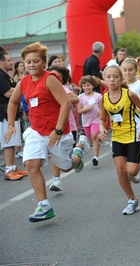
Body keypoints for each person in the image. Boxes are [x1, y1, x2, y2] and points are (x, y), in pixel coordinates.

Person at [4, 42, 90, 222]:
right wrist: (11, 124)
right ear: (24, 64)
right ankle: (44, 206)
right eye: (28, 62)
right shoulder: (24, 82)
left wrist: (58, 131)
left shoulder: (50, 79)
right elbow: (13, 102)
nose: (32, 64)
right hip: (35, 130)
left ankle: (78, 153)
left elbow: (66, 103)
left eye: (36, 61)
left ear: (44, 63)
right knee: (31, 164)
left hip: (57, 131)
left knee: (66, 166)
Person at [99, 65, 140, 215]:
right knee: (121, 171)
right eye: (108, 77)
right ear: (105, 80)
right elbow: (102, 119)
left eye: (115, 76)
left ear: (121, 79)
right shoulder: (104, 99)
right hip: (117, 137)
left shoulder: (129, 94)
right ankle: (132, 200)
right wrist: (102, 128)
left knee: (132, 171)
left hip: (133, 134)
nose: (112, 80)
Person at [48, 66, 80, 191]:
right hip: (52, 127)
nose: (52, 78)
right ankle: (56, 181)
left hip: (68, 126)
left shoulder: (62, 89)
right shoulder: (46, 88)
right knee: (54, 152)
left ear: (61, 80)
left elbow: (76, 98)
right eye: (51, 75)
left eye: (56, 76)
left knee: (65, 162)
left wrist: (59, 99)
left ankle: (79, 152)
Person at [0, 48, 28, 180]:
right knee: (9, 142)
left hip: (11, 112)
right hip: (5, 113)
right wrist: (23, 88)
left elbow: (13, 90)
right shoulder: (0, 75)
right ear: (1, 62)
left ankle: (13, 167)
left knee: (13, 140)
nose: (12, 62)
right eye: (9, 60)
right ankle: (9, 170)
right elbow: (8, 92)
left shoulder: (5, 75)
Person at [77, 75, 102, 166]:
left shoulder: (98, 96)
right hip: (86, 120)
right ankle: (96, 139)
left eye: (88, 85)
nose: (86, 87)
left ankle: (95, 157)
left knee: (94, 135)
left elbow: (103, 108)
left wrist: (100, 113)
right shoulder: (80, 97)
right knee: (91, 138)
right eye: (84, 86)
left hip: (96, 119)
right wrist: (87, 108)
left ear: (92, 85)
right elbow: (79, 111)